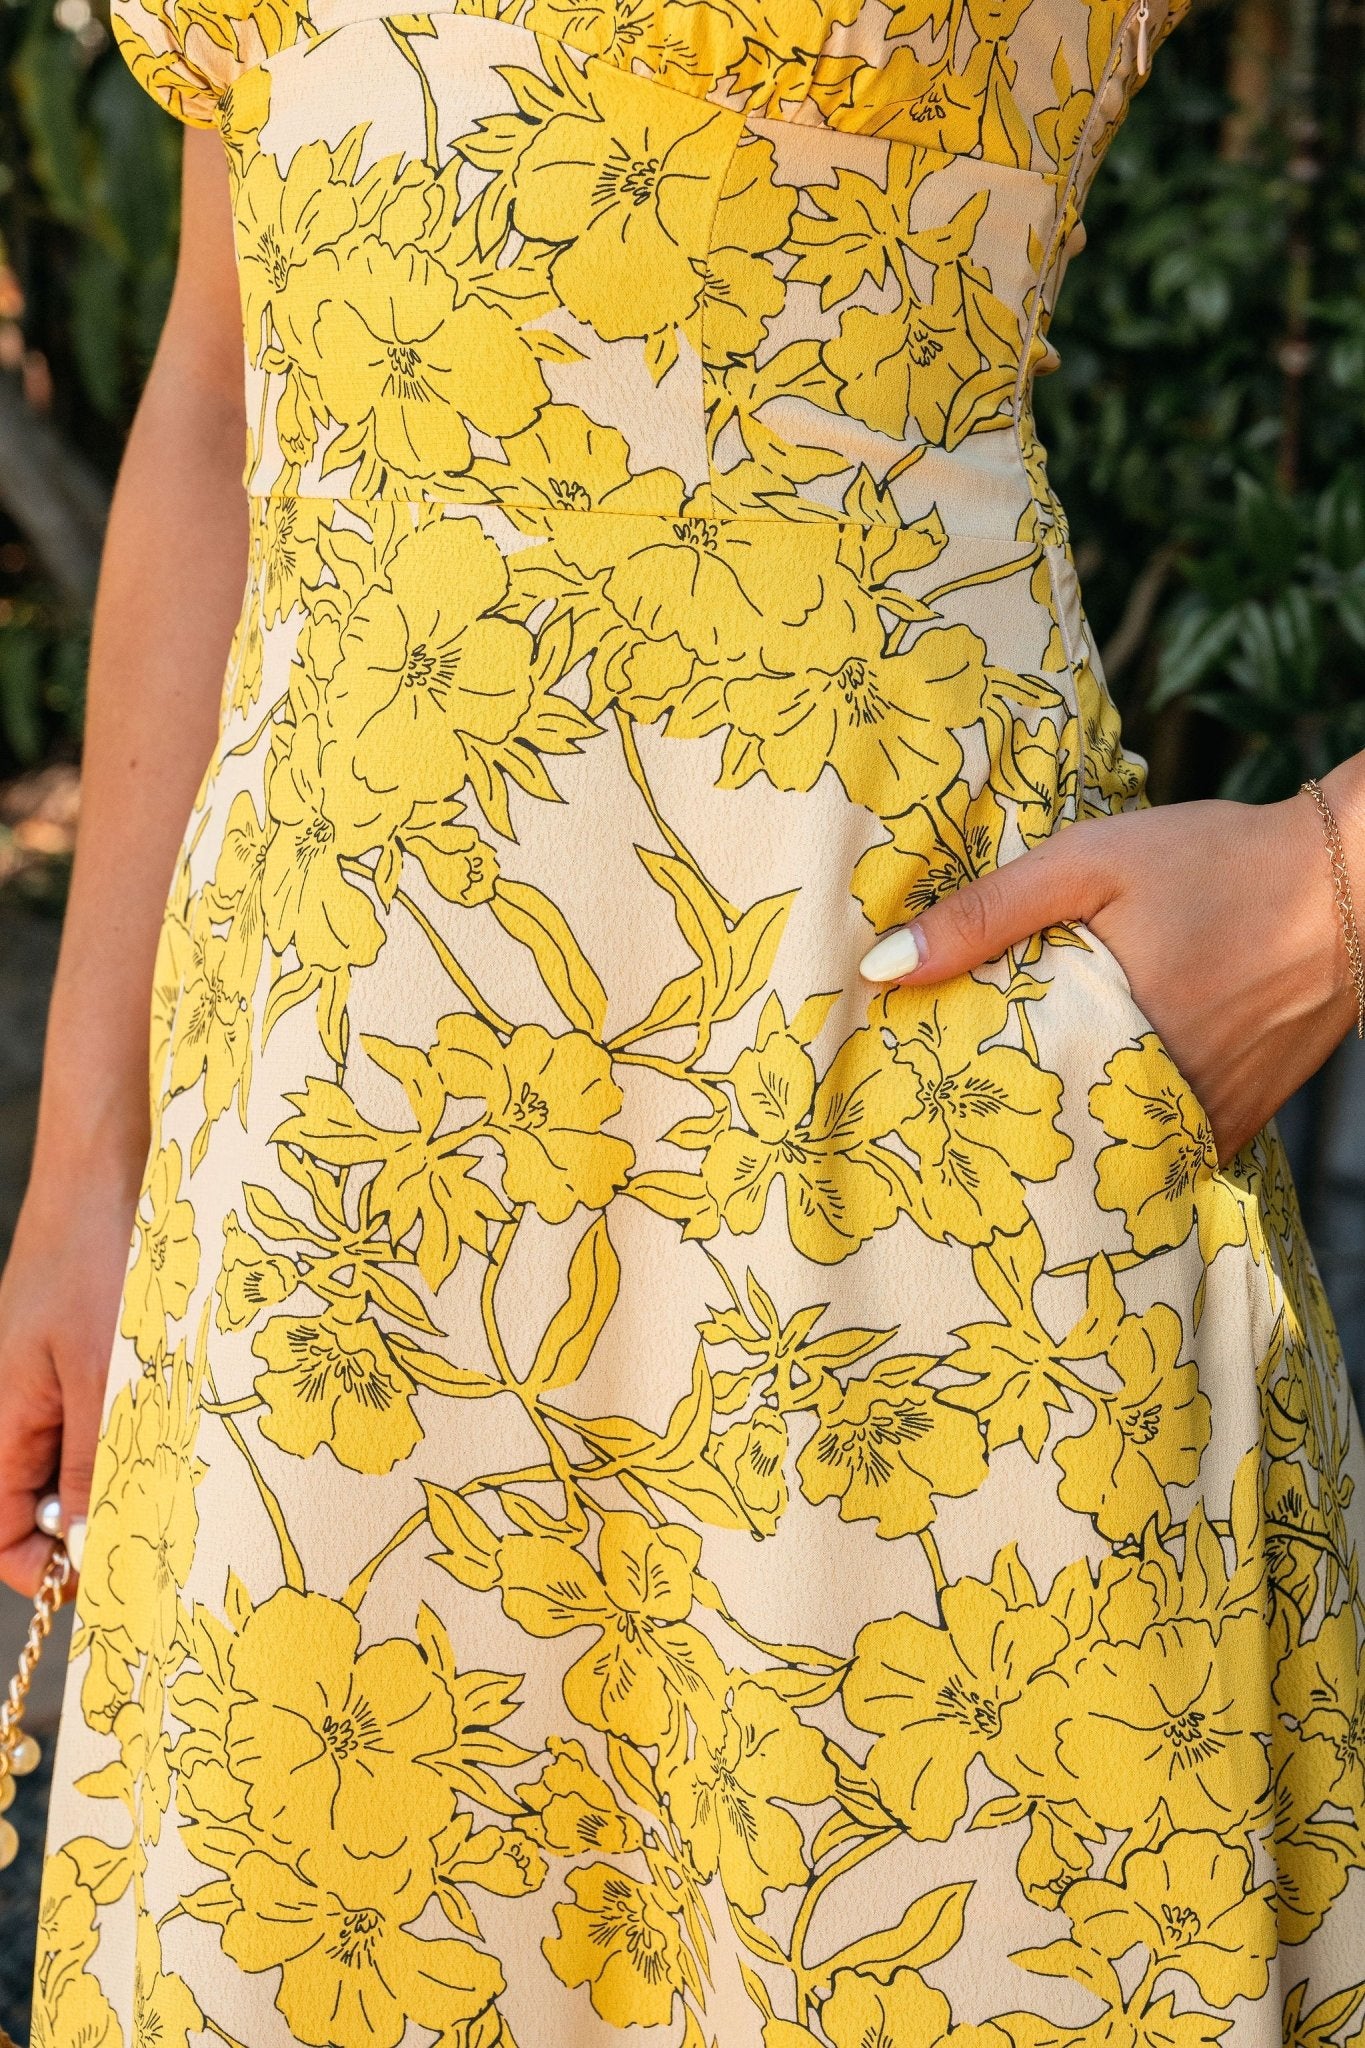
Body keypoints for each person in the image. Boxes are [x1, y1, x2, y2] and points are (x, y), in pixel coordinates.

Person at [3, 0, 1363, 2035]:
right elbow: (225, 388)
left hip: (890, 1116)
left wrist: (1330, 881)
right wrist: (86, 1154)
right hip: (325, 1191)